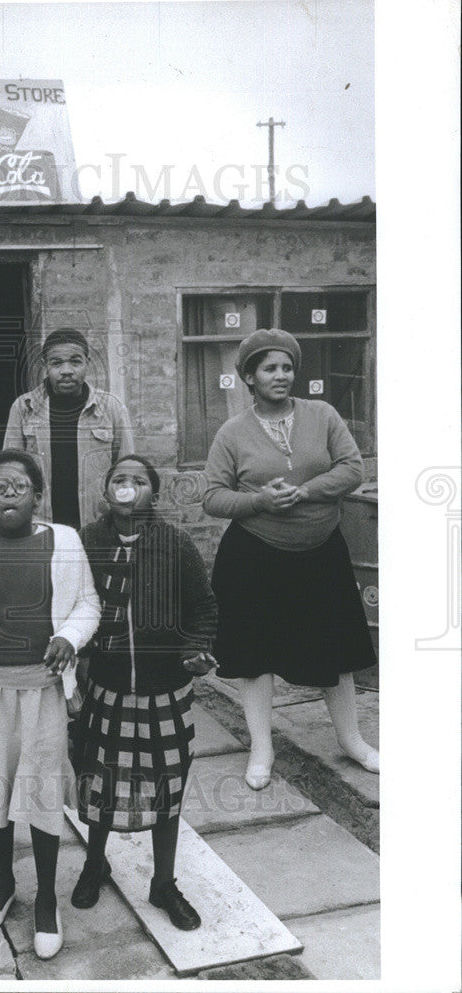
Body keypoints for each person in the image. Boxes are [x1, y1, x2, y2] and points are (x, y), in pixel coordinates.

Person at [0, 449, 100, 960]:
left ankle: (47, 899)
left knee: (41, 792)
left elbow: (88, 604)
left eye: (20, 487)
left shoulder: (65, 540)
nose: (9, 494)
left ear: (37, 496)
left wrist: (70, 637)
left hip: (43, 690)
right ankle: (4, 884)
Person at [202, 329, 379, 791]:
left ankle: (352, 739)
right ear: (249, 377)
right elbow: (213, 497)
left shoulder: (322, 415)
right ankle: (262, 748)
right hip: (255, 557)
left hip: (321, 552)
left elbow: (353, 468)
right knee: (254, 654)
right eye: (269, 368)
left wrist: (306, 490)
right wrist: (259, 501)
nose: (280, 376)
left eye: (287, 367)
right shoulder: (232, 432)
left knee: (336, 647)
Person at [73, 455, 218, 929]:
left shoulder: (175, 544)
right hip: (107, 689)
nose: (128, 487)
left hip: (165, 692)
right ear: (106, 490)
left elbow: (203, 609)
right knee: (100, 785)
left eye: (139, 481)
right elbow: (71, 606)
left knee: (165, 790)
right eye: (119, 479)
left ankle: (163, 883)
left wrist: (194, 651)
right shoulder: (87, 542)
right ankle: (96, 863)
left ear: (153, 493)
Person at [3, 328, 134, 529]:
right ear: (45, 366)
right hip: (41, 527)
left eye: (75, 361)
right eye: (56, 363)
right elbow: (10, 475)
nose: (66, 370)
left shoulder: (111, 408)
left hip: (98, 527)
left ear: (87, 364)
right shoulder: (23, 408)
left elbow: (127, 475)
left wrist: (121, 526)